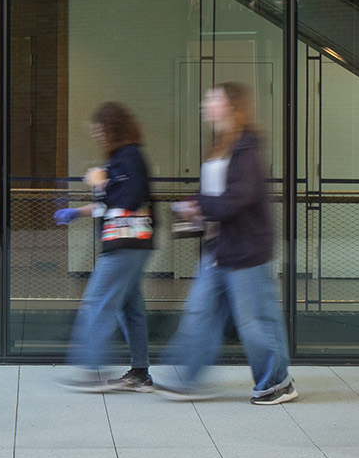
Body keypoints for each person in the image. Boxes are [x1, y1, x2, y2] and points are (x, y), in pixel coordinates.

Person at [154, 82, 293, 405]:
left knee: (256, 321)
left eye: (212, 99)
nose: (205, 104)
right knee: (199, 313)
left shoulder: (248, 147)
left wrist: (200, 206)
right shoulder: (220, 145)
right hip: (218, 249)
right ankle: (185, 379)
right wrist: (197, 205)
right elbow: (219, 196)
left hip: (246, 251)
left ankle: (277, 382)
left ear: (232, 106)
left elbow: (238, 198)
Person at [63, 100, 158, 392]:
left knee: (97, 302)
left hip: (125, 245)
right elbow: (110, 203)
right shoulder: (123, 158)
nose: (97, 136)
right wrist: (77, 212)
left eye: (100, 131)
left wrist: (101, 180)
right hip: (131, 243)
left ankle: (90, 369)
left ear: (112, 128)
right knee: (131, 309)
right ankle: (140, 372)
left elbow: (129, 197)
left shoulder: (129, 157)